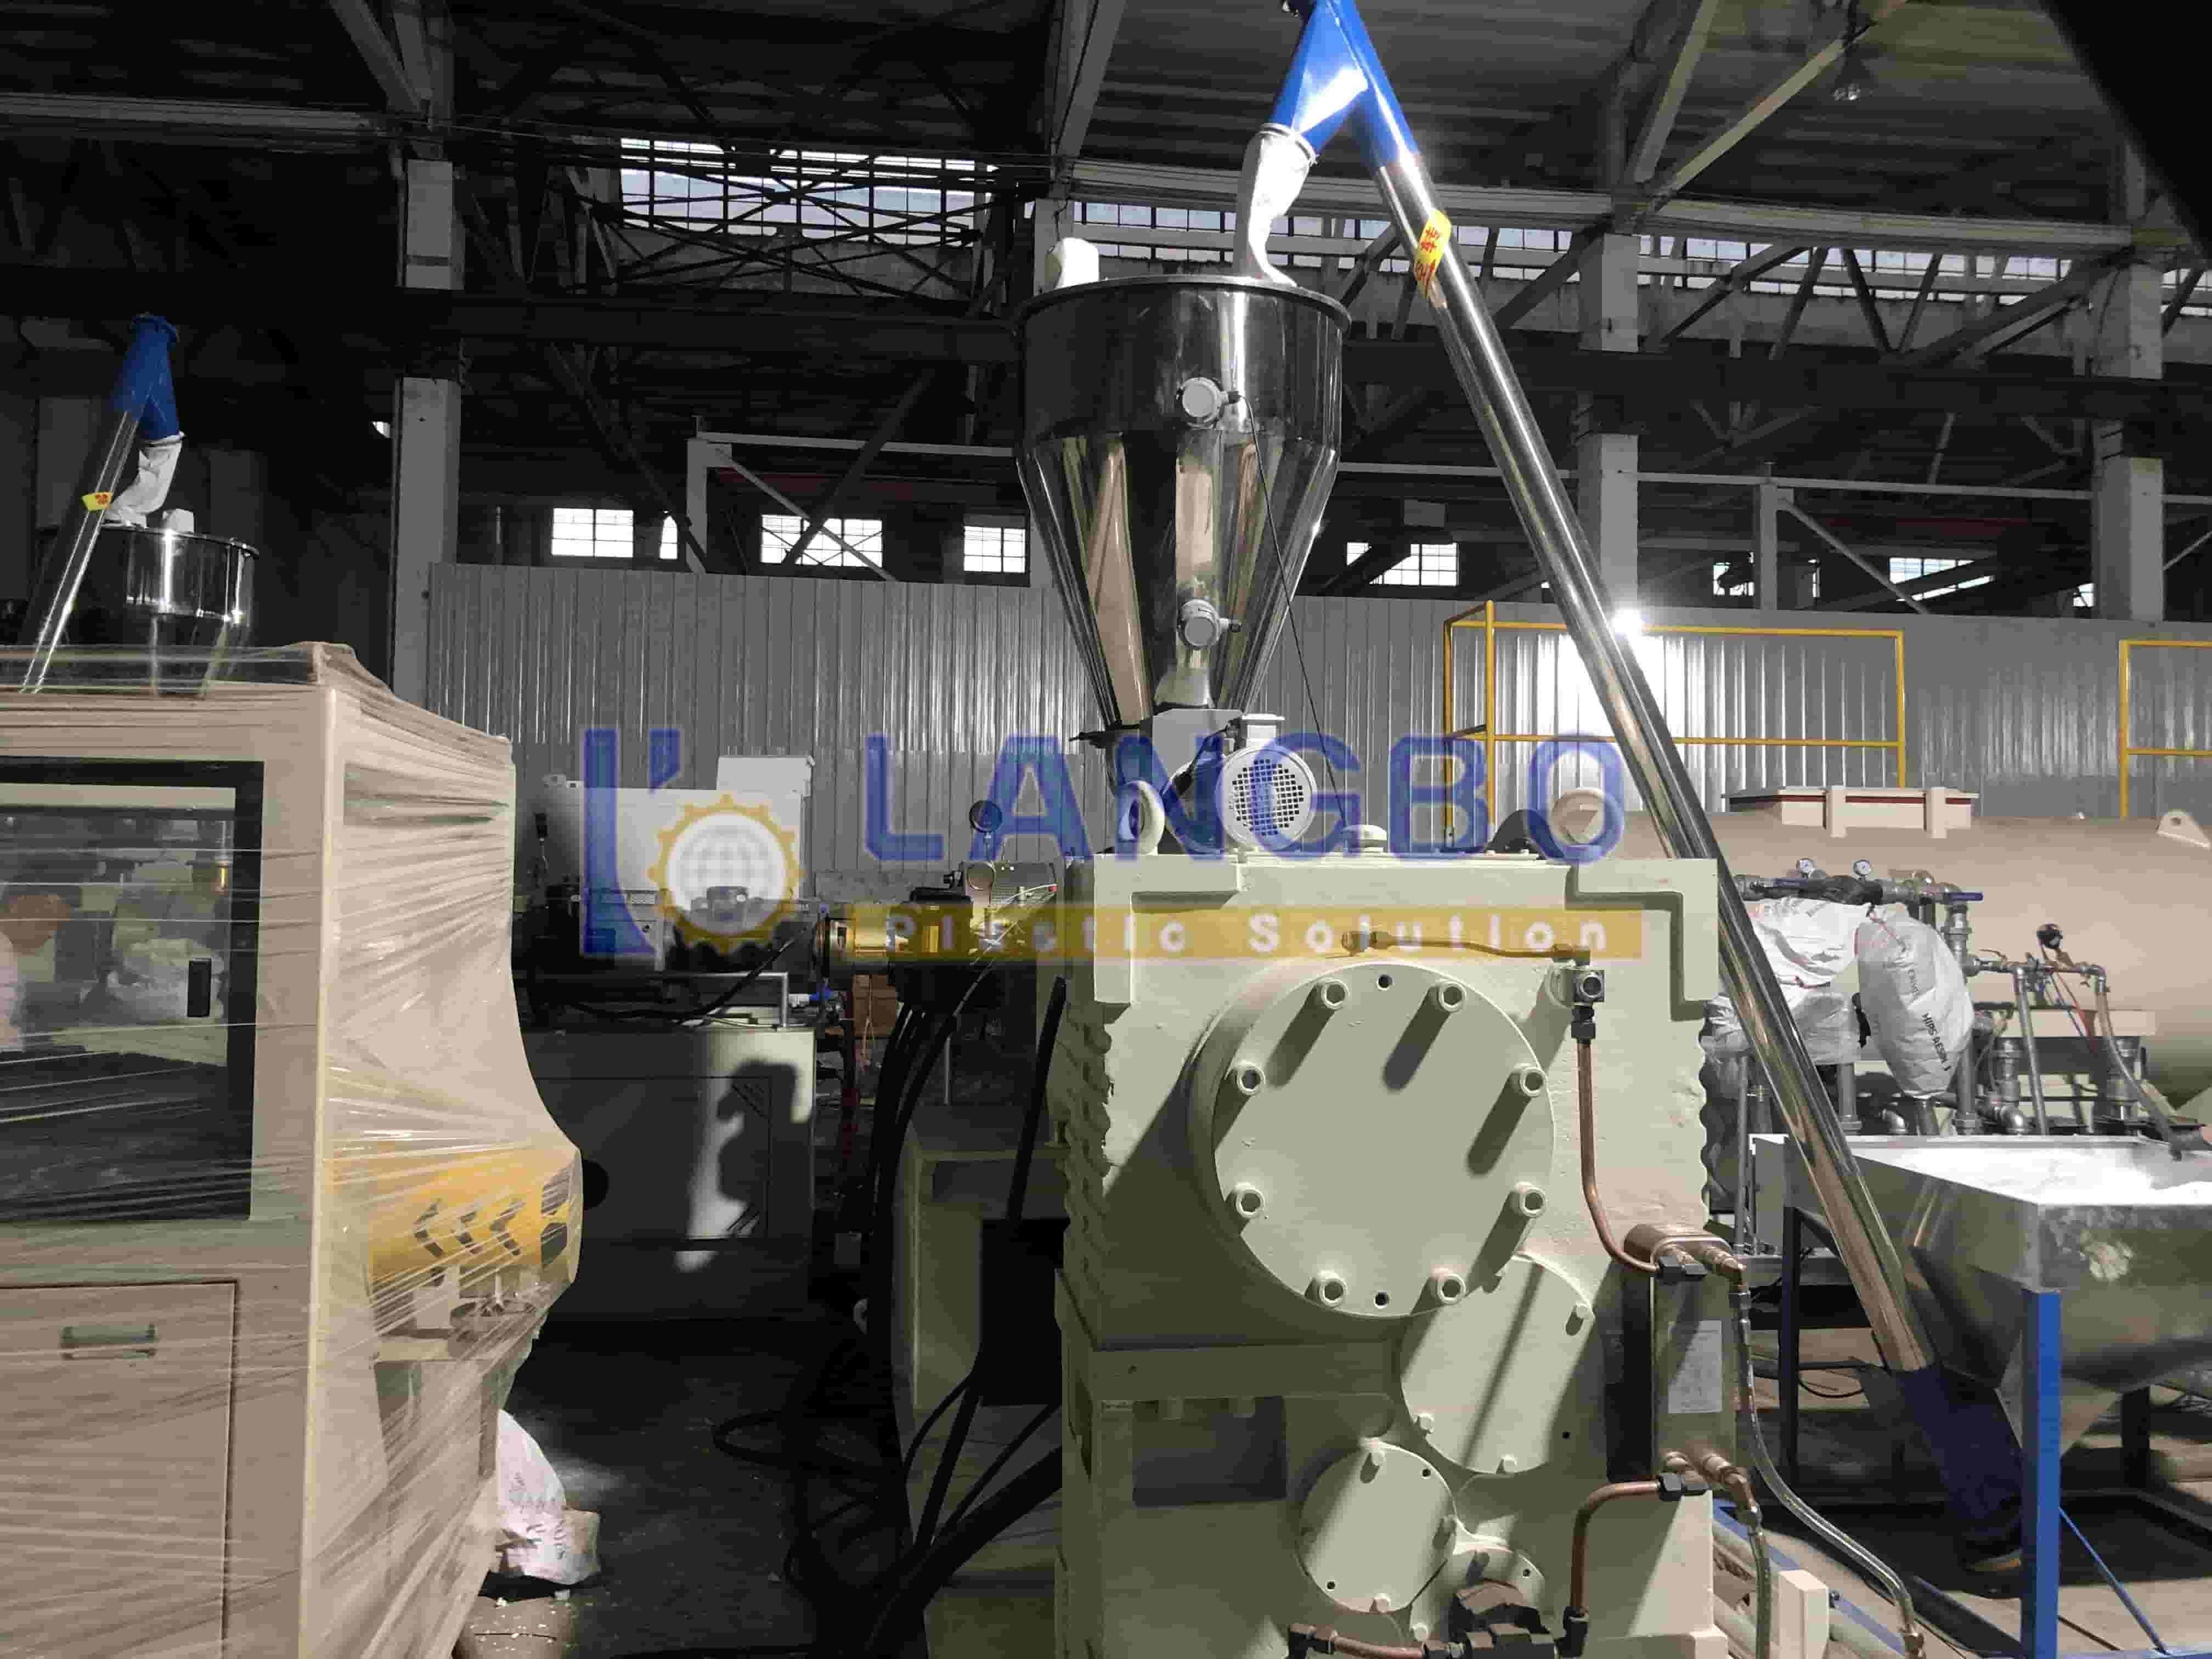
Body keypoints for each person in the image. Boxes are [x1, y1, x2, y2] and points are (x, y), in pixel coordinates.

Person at [0, 888, 77, 1052]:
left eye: (57, 925)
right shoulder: (3, 955)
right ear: (17, 908)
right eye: (48, 921)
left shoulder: (7, 951)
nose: (51, 934)